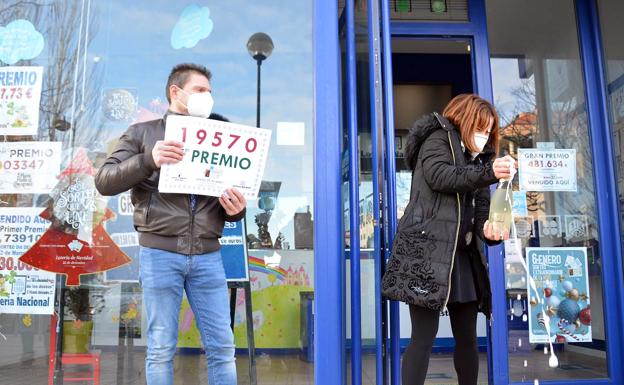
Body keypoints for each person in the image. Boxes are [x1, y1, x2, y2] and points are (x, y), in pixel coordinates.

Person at [95, 63, 245, 385]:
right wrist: (149, 159)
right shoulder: (142, 133)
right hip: (160, 254)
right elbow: (104, 181)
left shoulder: (221, 136)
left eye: (210, 91)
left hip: (208, 256)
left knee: (223, 347)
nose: (208, 97)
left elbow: (227, 199)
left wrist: (237, 211)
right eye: (200, 90)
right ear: (175, 92)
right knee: (161, 348)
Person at [381, 94, 515, 385]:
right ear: (464, 121)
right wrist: (488, 172)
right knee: (423, 339)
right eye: (480, 127)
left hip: (463, 259)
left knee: (467, 338)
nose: (483, 136)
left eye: (488, 130)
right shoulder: (437, 138)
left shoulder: (479, 160)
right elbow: (441, 176)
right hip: (426, 254)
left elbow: (481, 211)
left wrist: (489, 233)